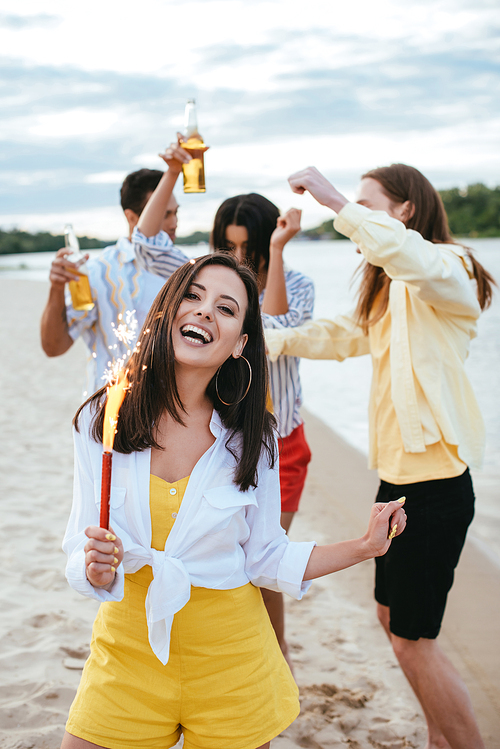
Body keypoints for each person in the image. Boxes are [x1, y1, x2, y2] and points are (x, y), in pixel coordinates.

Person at [61, 251, 406, 749]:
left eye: (226, 308)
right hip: (127, 656)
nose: (204, 311)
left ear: (240, 343)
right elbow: (78, 543)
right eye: (193, 296)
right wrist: (93, 570)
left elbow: (265, 557)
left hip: (231, 664)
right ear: (166, 311)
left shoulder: (252, 439)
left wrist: (365, 546)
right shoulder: (103, 419)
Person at [265, 164, 495, 749]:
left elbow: (408, 255)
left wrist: (336, 199)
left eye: (370, 204)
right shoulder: (389, 289)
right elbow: (342, 335)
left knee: (412, 640)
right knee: (392, 621)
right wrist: (272, 338)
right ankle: (440, 735)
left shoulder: (450, 270)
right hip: (395, 483)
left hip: (435, 488)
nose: (355, 216)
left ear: (405, 211)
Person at [211, 194, 314, 668]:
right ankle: (254, 656)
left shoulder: (296, 284)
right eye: (227, 248)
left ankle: (277, 653)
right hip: (220, 443)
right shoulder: (213, 289)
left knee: (265, 559)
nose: (237, 260)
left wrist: (275, 253)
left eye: (247, 247)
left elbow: (274, 329)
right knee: (228, 558)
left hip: (282, 447)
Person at [40, 168, 188, 395]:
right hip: (107, 411)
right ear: (131, 217)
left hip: (171, 408)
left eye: (175, 213)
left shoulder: (186, 271)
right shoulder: (97, 272)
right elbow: (54, 346)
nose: (174, 222)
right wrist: (56, 289)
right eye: (164, 214)